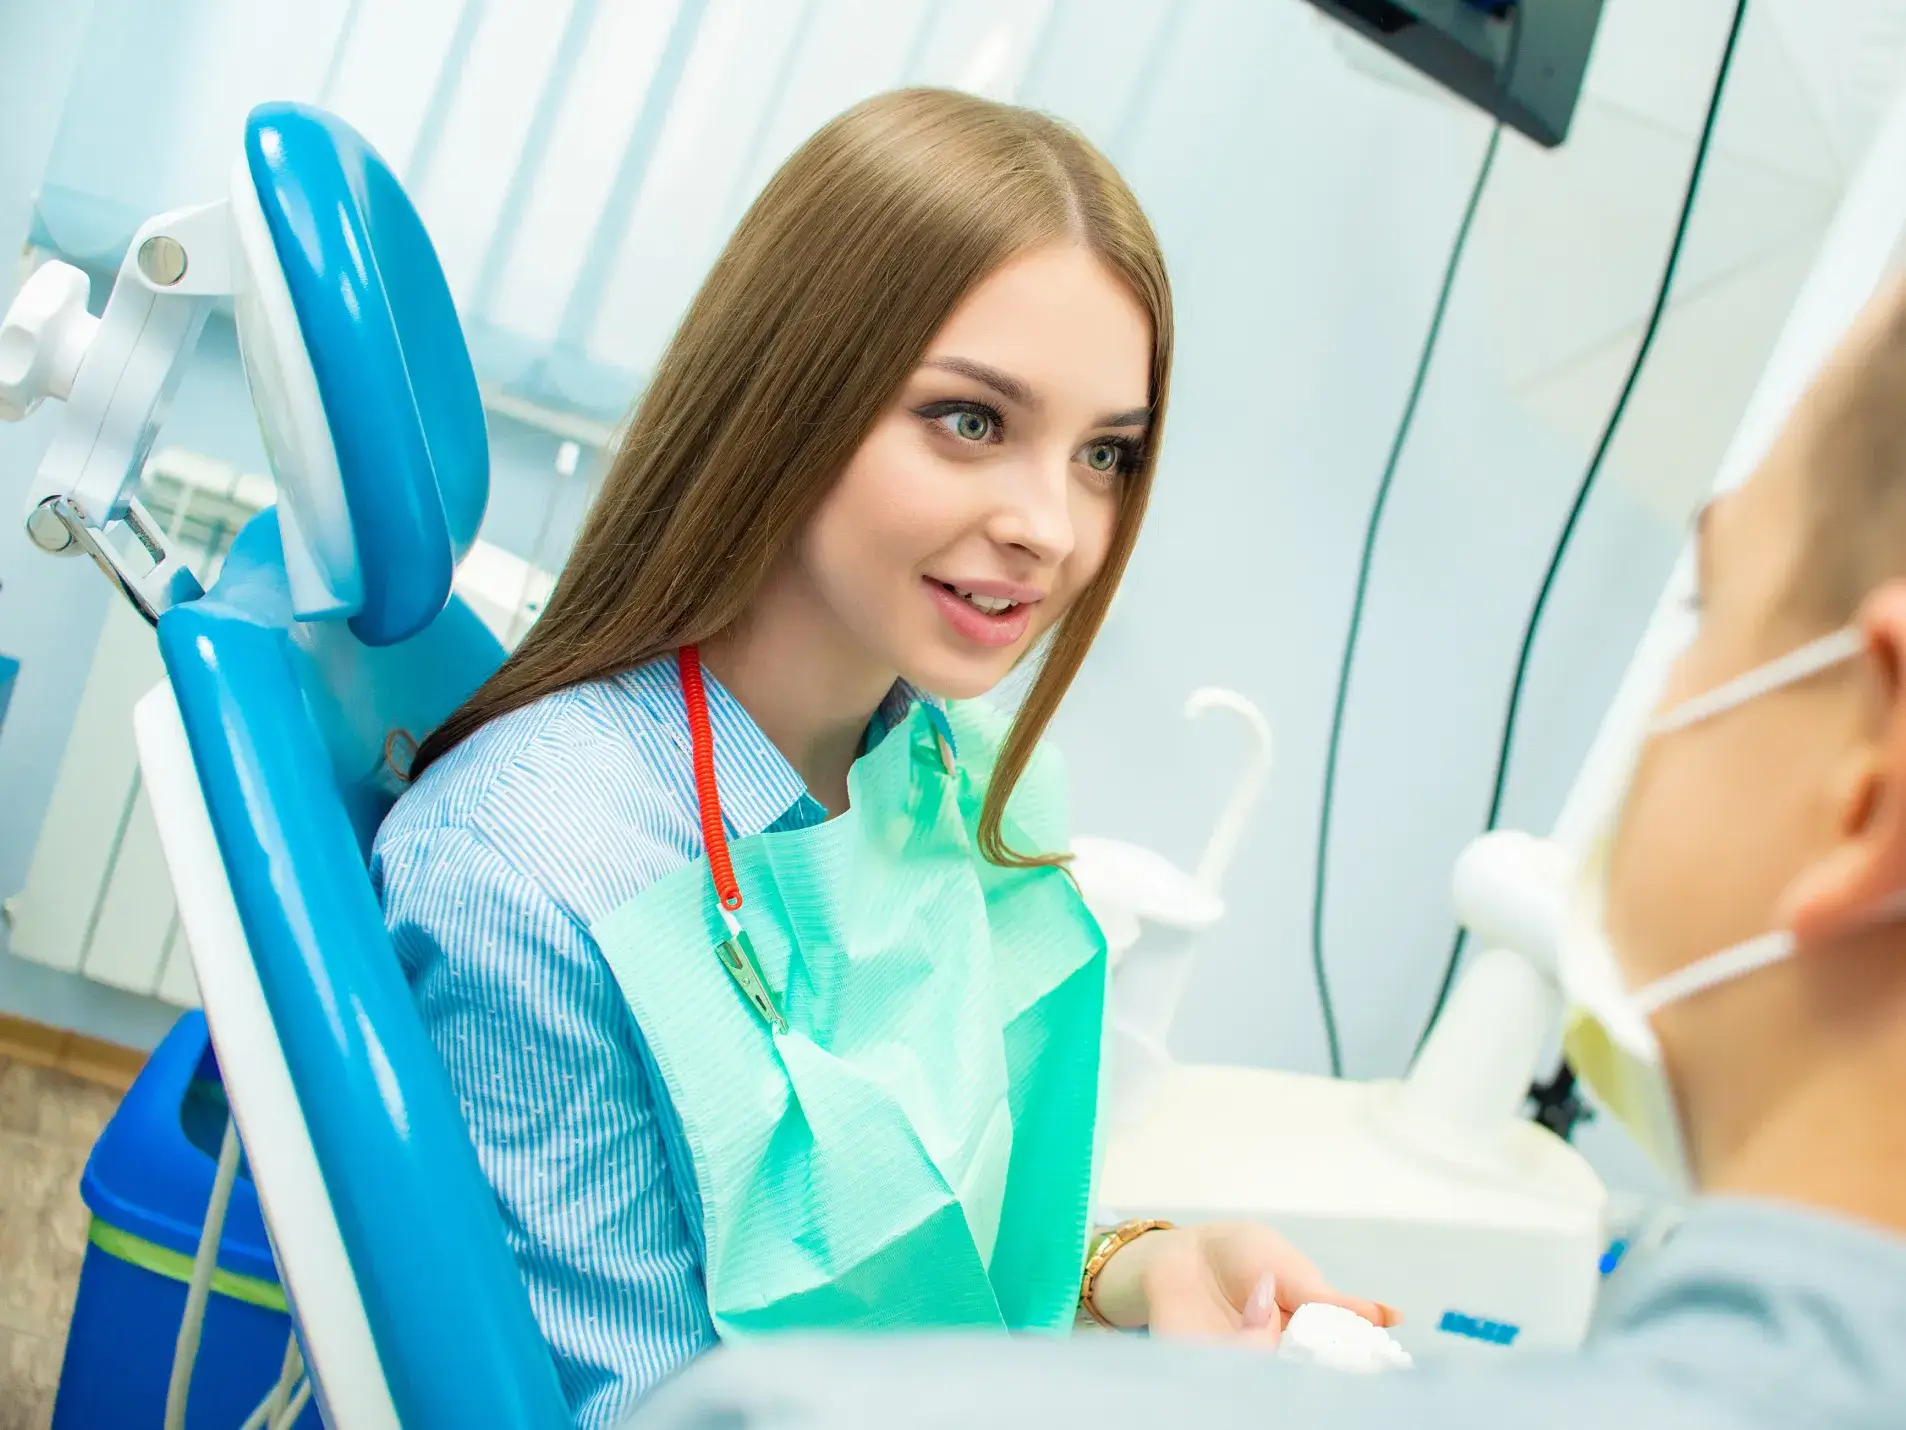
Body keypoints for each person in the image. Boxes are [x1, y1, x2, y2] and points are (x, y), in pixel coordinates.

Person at [624, 272, 1906, 1428]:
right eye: (971, 421)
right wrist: (1138, 1267)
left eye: (1708, 605)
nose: (1049, 532)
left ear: (1870, 796)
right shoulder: (551, 841)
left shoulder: (971, 793)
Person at [372, 88, 1387, 1430]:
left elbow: (898, 1232)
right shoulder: (538, 865)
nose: (1050, 525)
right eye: (970, 420)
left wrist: (1136, 1268)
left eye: (1103, 454)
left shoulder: (928, 776)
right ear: (791, 389)